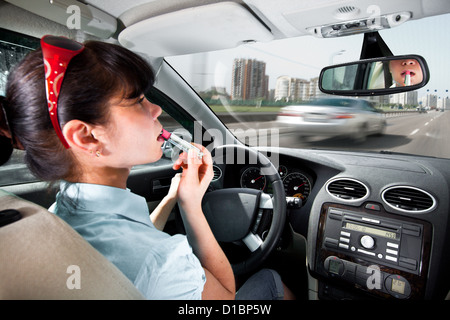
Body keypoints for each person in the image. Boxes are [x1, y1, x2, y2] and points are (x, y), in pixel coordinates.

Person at [0, 35, 292, 300]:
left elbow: (126, 241)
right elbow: (227, 296)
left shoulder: (58, 216)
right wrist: (191, 206)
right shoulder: (161, 261)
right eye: (137, 100)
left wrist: (171, 199)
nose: (156, 109)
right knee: (271, 280)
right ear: (87, 136)